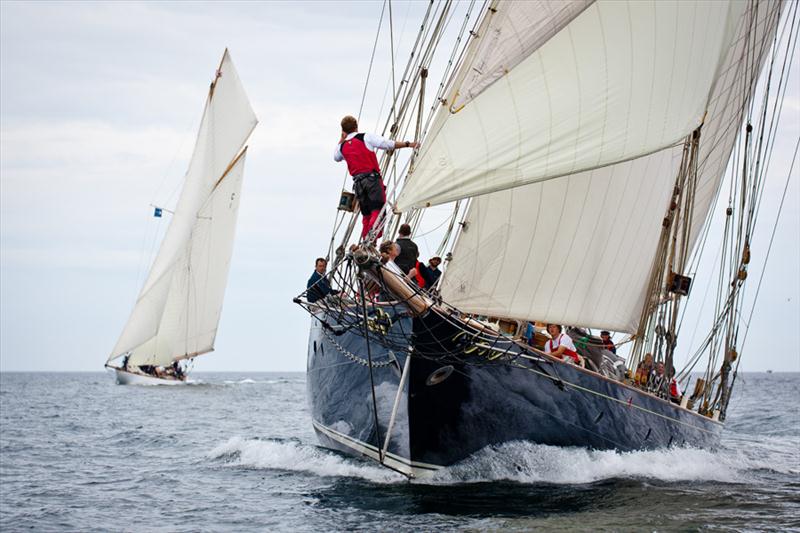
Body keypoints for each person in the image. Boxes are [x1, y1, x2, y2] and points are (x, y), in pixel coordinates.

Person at [334, 116, 418, 239]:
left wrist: (341, 139)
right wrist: (408, 144)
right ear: (356, 126)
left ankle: (365, 242)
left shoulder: (342, 146)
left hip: (358, 183)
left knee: (366, 214)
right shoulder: (365, 137)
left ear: (343, 130)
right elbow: (387, 144)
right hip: (372, 180)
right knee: (377, 209)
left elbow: (336, 157)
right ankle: (370, 239)